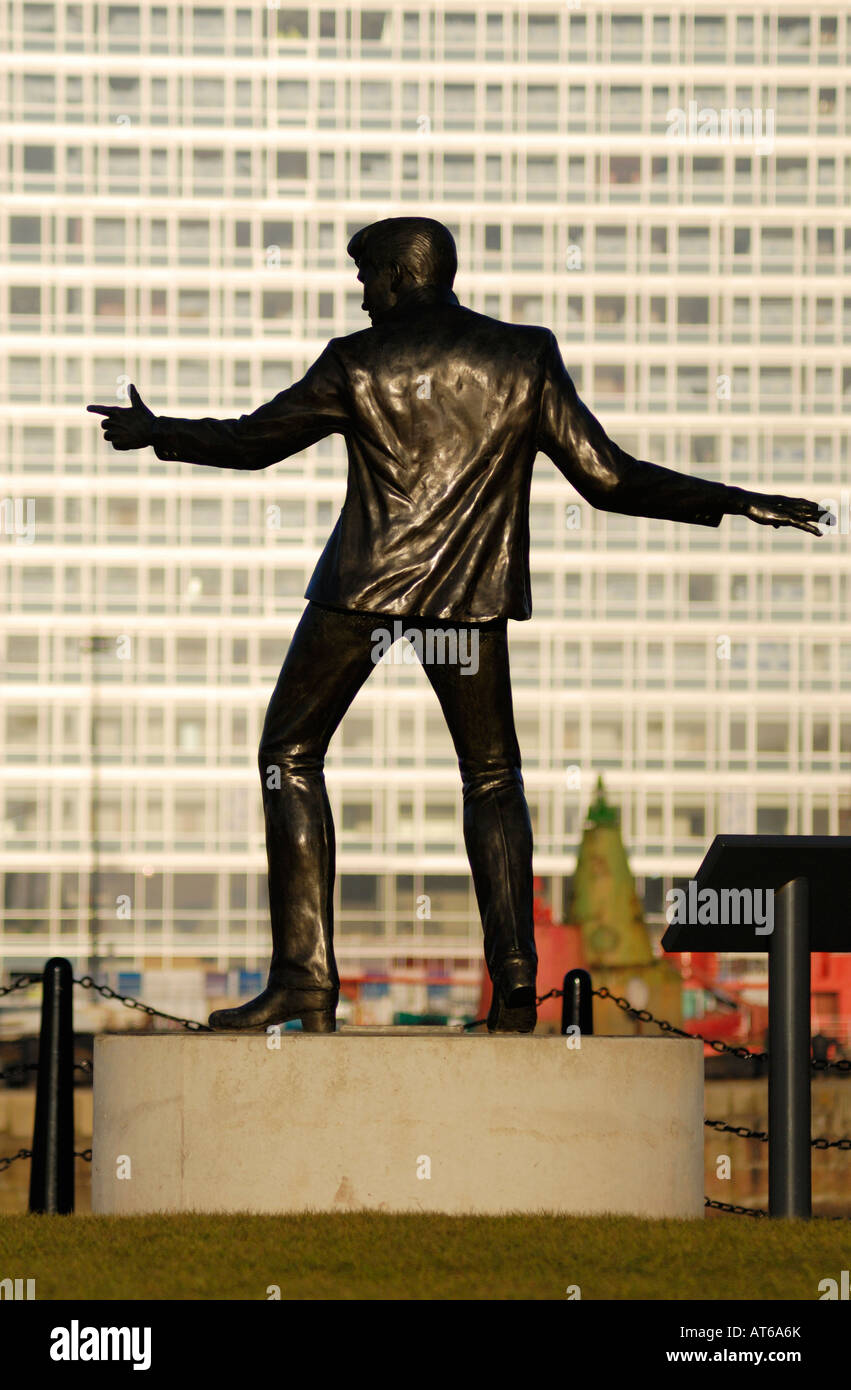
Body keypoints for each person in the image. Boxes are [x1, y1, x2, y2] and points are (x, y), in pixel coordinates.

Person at [88, 216, 827, 1035]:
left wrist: (160, 434)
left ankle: (304, 980)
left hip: (362, 587)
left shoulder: (355, 361)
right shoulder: (523, 356)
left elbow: (253, 442)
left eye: (366, 275)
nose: (360, 294)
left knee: (289, 754)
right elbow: (608, 479)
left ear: (401, 276)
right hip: (466, 593)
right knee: (491, 778)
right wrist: (729, 497)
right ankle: (514, 979)